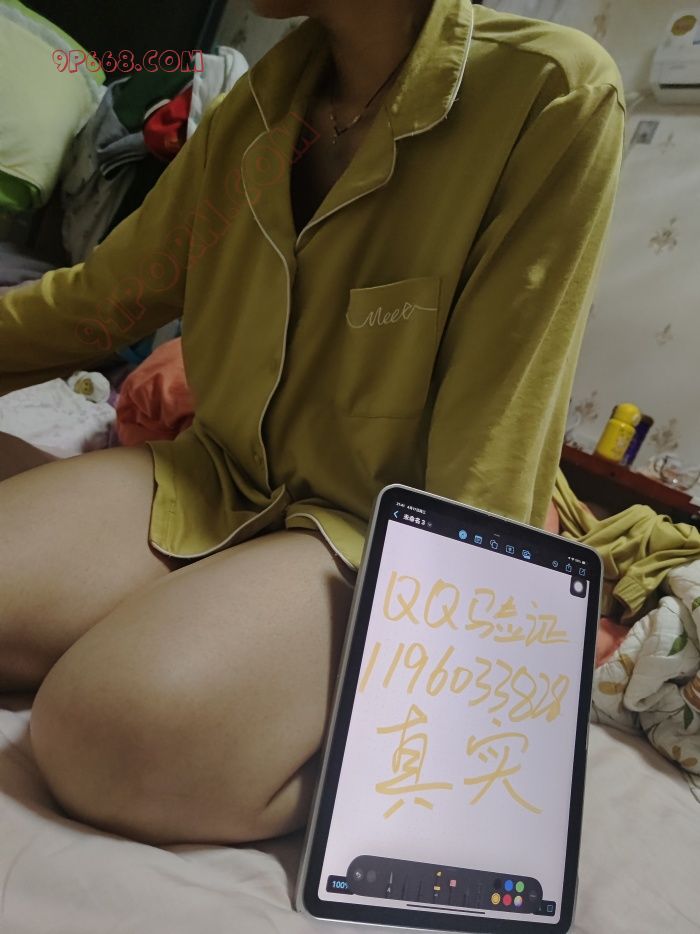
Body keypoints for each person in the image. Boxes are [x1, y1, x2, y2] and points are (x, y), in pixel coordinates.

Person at [0, 0, 625, 845]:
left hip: (376, 529)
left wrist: (449, 719)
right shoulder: (259, 106)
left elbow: (495, 439)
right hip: (216, 473)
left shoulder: (551, 94)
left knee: (104, 741)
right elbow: (103, 300)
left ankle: (323, 748)